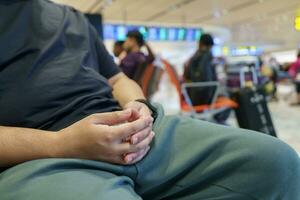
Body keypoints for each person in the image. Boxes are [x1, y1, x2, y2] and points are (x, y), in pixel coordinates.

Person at [0, 1, 299, 200]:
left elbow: (117, 80)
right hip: (41, 151)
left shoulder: (71, 17)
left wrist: (138, 105)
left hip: (135, 130)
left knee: (276, 162)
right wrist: (59, 144)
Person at [183, 33, 217, 106]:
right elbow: (206, 81)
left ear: (200, 43)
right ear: (210, 46)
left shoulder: (195, 56)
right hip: (202, 98)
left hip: (191, 95)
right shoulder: (206, 56)